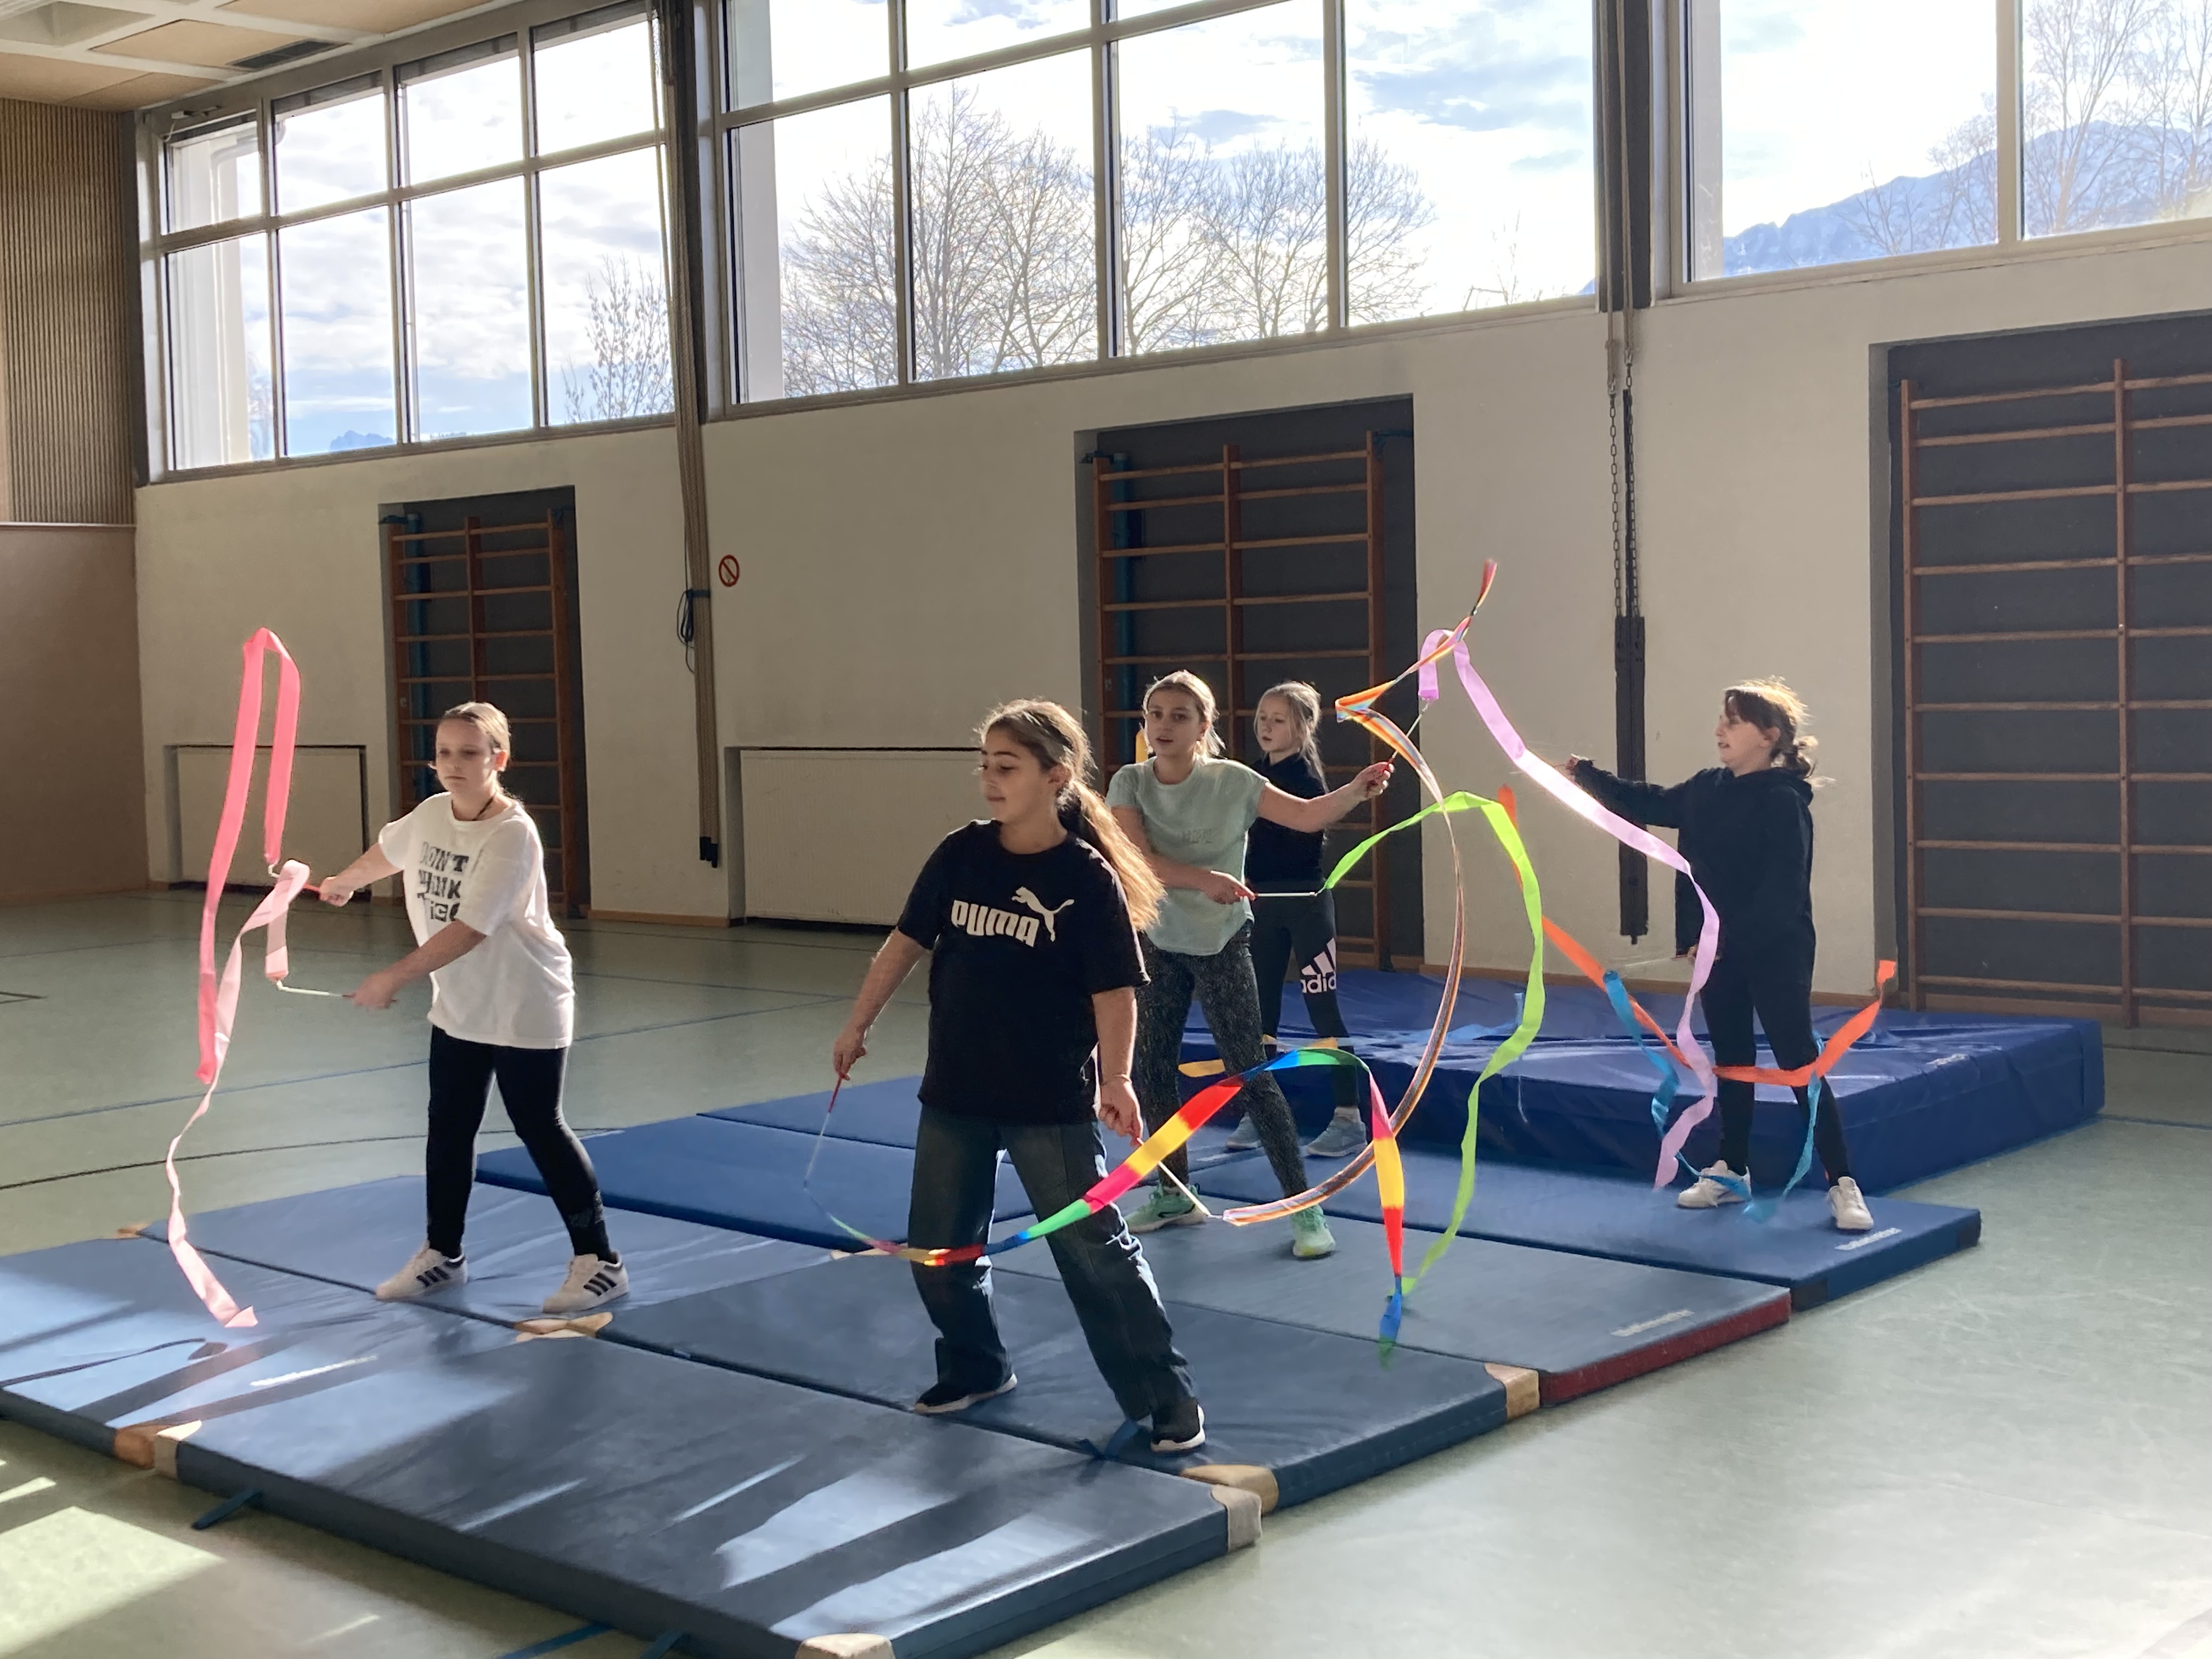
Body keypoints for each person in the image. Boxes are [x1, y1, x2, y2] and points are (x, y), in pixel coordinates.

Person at [832, 699, 1206, 1454]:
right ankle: (976, 1366)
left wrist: (1117, 1079)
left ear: (1056, 777)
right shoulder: (961, 854)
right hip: (956, 1091)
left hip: (1048, 1102)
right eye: (985, 766)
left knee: (1094, 1254)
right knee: (939, 1249)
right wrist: (858, 1023)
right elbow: (905, 943)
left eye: (1007, 767)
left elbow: (1115, 992)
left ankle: (1165, 1398)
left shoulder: (1086, 878)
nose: (990, 779)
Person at [317, 702, 628, 1311]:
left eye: (469, 753)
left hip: (526, 1000)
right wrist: (347, 880)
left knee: (539, 1125)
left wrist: (393, 976)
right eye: (443, 753)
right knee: (450, 1125)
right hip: (462, 1002)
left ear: (498, 759)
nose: (453, 765)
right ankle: (443, 1254)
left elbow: (470, 929)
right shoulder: (433, 813)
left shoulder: (512, 834)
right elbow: (390, 852)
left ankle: (601, 1263)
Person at [1567, 680, 1873, 1232]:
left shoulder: (1783, 802)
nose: (1719, 731)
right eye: (1721, 720)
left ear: (1768, 736)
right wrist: (1587, 776)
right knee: (1731, 1058)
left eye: (1732, 723)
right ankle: (1733, 1170)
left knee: (1797, 1060)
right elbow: (1650, 802)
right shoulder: (1707, 789)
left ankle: (1842, 1181)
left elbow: (1783, 892)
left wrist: (1725, 940)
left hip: (1775, 949)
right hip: (1718, 953)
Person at [1107, 671, 1392, 1260]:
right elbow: (1140, 860)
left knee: (1250, 1071)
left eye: (1180, 716)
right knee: (1153, 1070)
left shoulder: (1234, 780)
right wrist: (1203, 879)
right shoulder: (1129, 782)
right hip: (1160, 943)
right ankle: (1174, 1193)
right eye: (1155, 714)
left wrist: (1357, 790)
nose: (1164, 726)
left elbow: (1307, 816)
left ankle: (1304, 1207)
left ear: (1204, 727)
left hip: (1222, 942)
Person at [1240, 681, 1364, 1159]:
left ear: (1303, 727)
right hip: (1264, 907)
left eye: (1279, 720)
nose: (1266, 727)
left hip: (1307, 906)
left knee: (1322, 1010)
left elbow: (1308, 824)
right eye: (1263, 718)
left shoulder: (1309, 782)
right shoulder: (1249, 776)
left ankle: (1348, 1117)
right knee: (1261, 1011)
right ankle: (1263, 1111)